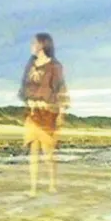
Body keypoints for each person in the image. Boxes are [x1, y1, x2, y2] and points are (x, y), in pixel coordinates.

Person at [18, 33, 70, 197]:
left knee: (48, 153)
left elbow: (60, 89)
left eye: (34, 43)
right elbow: (25, 86)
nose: (32, 45)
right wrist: (28, 101)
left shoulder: (55, 66)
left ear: (42, 45)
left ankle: (52, 184)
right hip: (32, 113)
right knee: (33, 151)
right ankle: (33, 188)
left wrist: (61, 112)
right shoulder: (31, 64)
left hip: (48, 112)